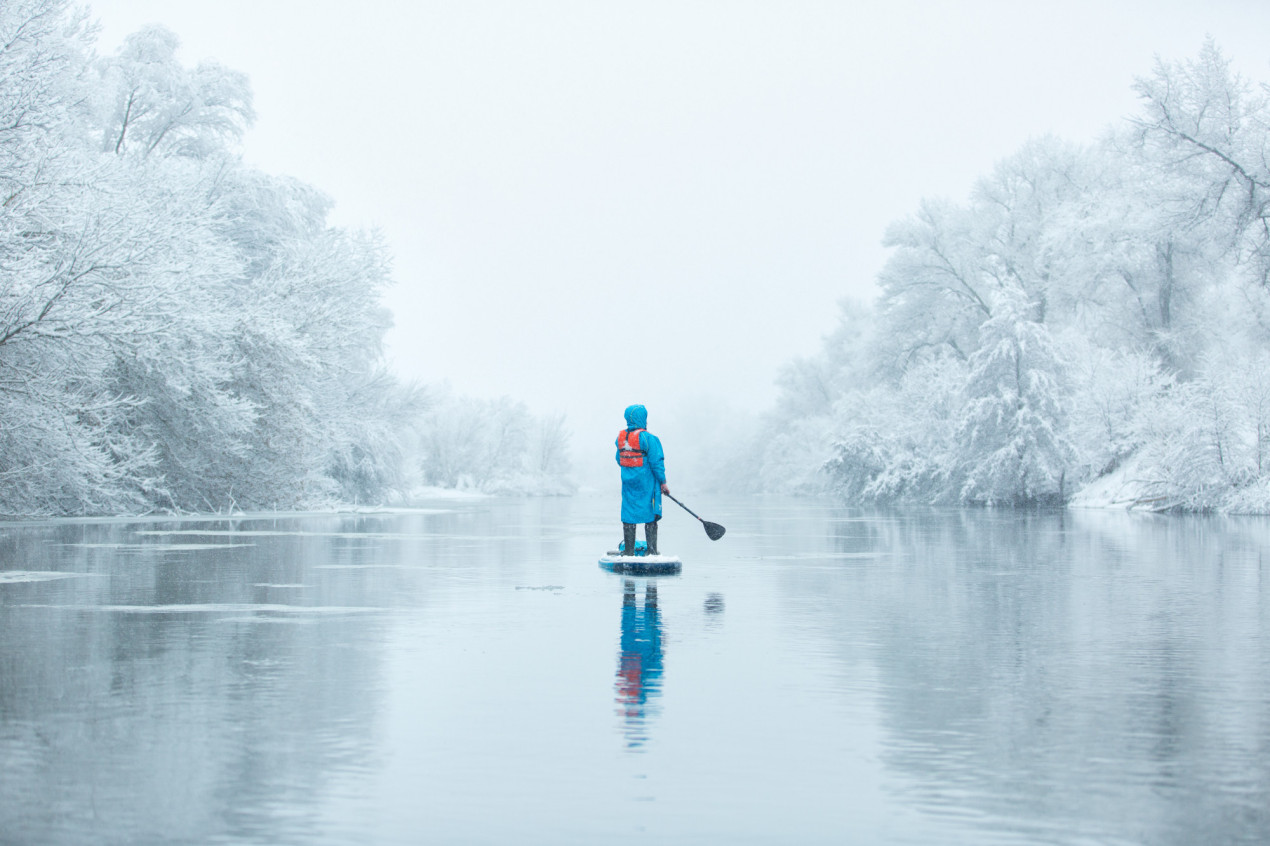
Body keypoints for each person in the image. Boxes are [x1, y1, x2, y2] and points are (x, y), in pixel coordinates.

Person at [615, 404, 669, 556]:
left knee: (629, 515)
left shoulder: (620, 438)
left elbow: (619, 460)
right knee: (650, 516)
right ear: (643, 418)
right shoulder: (649, 438)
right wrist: (663, 482)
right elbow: (657, 463)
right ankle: (651, 552)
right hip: (647, 485)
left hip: (629, 485)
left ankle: (629, 552)